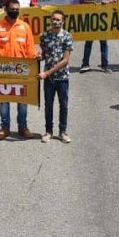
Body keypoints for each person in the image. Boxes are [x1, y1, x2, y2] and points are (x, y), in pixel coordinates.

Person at [0, 0, 39, 140]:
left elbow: (30, 49)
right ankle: (4, 128)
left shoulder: (25, 27)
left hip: (22, 71)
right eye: (12, 9)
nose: (15, 11)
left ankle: (22, 127)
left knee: (22, 102)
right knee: (4, 102)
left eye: (17, 9)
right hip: (3, 71)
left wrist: (35, 61)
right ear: (5, 9)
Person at [39, 9, 74, 142]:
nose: (55, 21)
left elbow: (65, 60)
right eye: (53, 19)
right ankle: (48, 131)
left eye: (58, 19)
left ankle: (63, 132)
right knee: (48, 105)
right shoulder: (45, 36)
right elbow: (44, 54)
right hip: (48, 79)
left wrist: (47, 73)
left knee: (63, 105)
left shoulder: (67, 36)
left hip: (62, 77)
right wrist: (38, 57)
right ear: (50, 20)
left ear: (63, 21)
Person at [79, 0, 112, 73]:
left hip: (103, 20)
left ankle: (105, 65)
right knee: (88, 43)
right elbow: (80, 1)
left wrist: (108, 2)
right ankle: (85, 64)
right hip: (90, 19)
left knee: (104, 43)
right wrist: (90, 3)